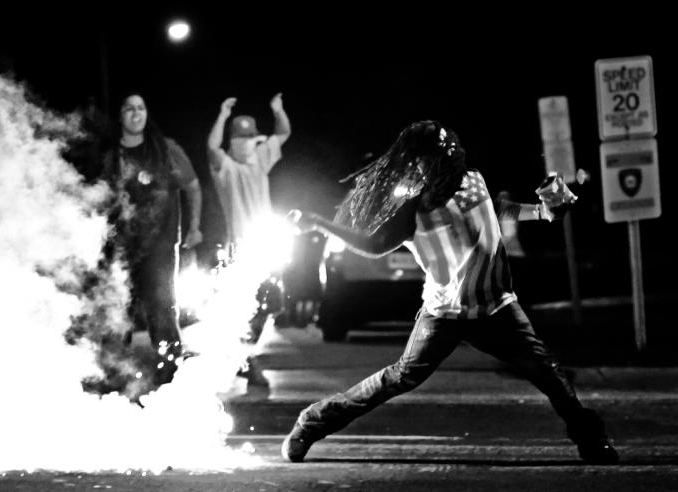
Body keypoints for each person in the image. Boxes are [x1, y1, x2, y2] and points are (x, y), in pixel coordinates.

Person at [282, 120, 617, 465]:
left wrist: (543, 211)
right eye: (442, 157)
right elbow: (374, 245)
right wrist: (320, 223)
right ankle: (312, 422)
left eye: (452, 153)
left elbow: (495, 208)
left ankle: (592, 440)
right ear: (422, 164)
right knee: (399, 378)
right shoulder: (412, 208)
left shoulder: (472, 179)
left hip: (496, 306)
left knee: (548, 372)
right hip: (444, 314)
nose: (452, 160)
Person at [101, 93, 202, 384]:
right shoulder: (110, 154)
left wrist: (195, 227)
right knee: (116, 308)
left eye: (141, 108)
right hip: (121, 246)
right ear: (121, 115)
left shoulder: (165, 150)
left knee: (161, 307)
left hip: (159, 246)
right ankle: (115, 373)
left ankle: (170, 372)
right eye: (129, 108)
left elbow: (193, 187)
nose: (136, 114)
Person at [206, 94, 291, 387]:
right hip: (239, 248)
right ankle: (245, 358)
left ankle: (244, 355)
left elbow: (283, 133)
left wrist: (278, 111)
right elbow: (211, 147)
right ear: (233, 141)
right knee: (246, 304)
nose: (246, 144)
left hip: (264, 244)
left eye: (250, 138)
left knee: (271, 304)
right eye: (240, 139)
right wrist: (222, 115)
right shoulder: (226, 168)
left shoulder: (259, 160)